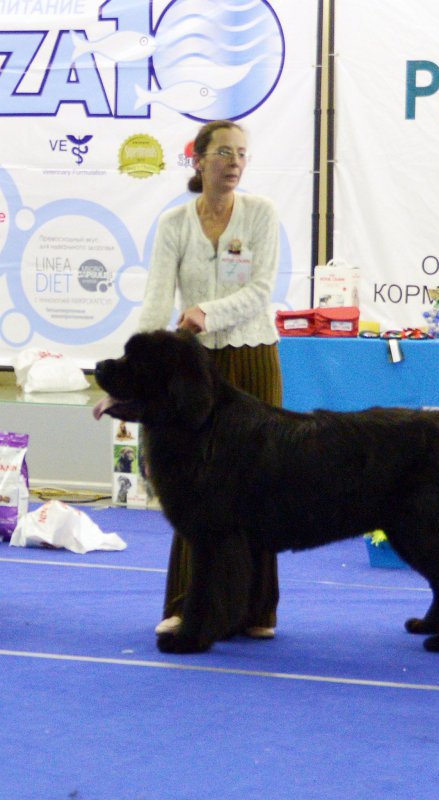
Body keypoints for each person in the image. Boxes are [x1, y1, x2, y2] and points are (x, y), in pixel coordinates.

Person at [138, 119, 282, 640]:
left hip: (253, 358)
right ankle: (186, 603)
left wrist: (205, 311)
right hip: (196, 370)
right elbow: (156, 298)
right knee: (193, 488)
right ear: (199, 160)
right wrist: (138, 368)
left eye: (242, 153)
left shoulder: (262, 214)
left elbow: (260, 290)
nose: (235, 162)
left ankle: (256, 610)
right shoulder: (175, 223)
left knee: (259, 488)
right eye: (224, 152)